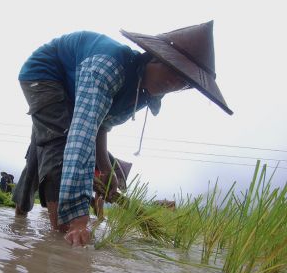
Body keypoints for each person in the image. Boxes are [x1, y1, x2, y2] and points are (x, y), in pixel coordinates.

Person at [12, 21, 233, 246]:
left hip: (74, 92)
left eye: (184, 81)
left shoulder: (143, 94)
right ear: (155, 58)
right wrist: (78, 220)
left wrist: (108, 171)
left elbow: (101, 126)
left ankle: (18, 216)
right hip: (46, 74)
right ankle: (60, 236)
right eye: (174, 71)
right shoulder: (109, 67)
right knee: (58, 141)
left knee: (45, 144)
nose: (174, 83)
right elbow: (82, 136)